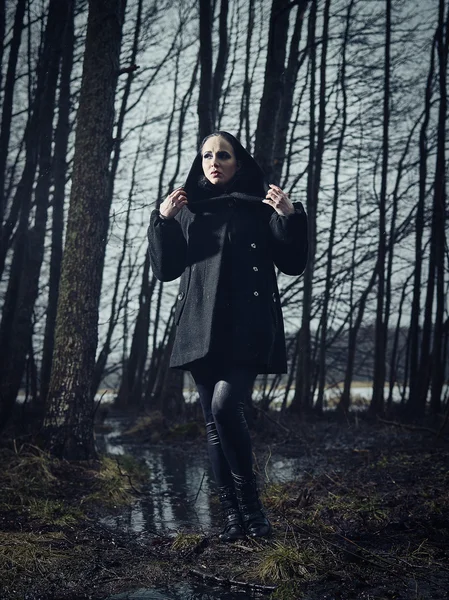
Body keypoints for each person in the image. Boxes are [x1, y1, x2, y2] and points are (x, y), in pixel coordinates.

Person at [148, 131, 308, 541]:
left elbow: (293, 264)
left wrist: (290, 216)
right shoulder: (188, 210)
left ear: (239, 162)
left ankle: (253, 511)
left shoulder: (261, 208)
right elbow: (166, 269)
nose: (214, 161)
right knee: (214, 425)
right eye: (207, 155)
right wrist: (163, 220)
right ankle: (233, 520)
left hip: (250, 326)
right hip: (200, 326)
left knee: (224, 406)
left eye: (223, 155)